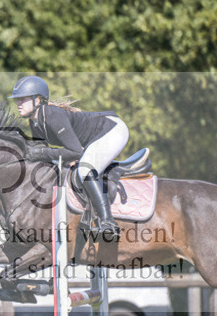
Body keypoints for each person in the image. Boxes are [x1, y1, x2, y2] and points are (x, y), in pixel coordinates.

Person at [10, 75, 146, 238]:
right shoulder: (35, 121)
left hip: (112, 130)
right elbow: (40, 150)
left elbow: (75, 152)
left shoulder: (52, 115)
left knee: (84, 169)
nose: (18, 104)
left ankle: (108, 222)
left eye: (22, 99)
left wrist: (40, 153)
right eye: (17, 100)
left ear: (38, 100)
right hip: (95, 138)